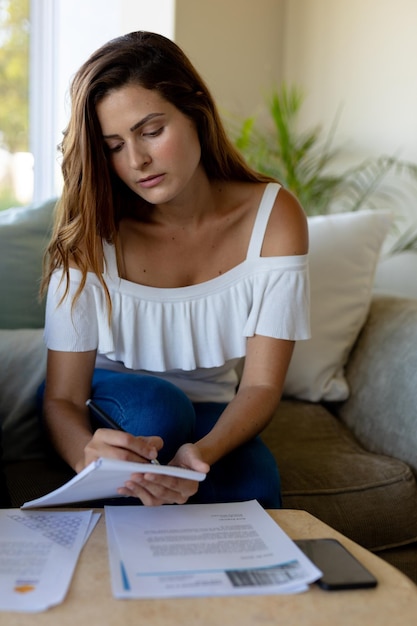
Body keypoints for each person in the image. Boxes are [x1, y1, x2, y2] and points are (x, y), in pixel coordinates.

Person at [39, 31, 309, 509]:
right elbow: (62, 398)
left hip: (211, 409)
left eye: (151, 131)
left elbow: (263, 385)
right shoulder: (92, 227)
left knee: (255, 486)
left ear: (197, 112)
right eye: (114, 146)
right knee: (159, 411)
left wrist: (201, 455)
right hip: (107, 395)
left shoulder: (275, 218)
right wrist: (86, 456)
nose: (137, 161)